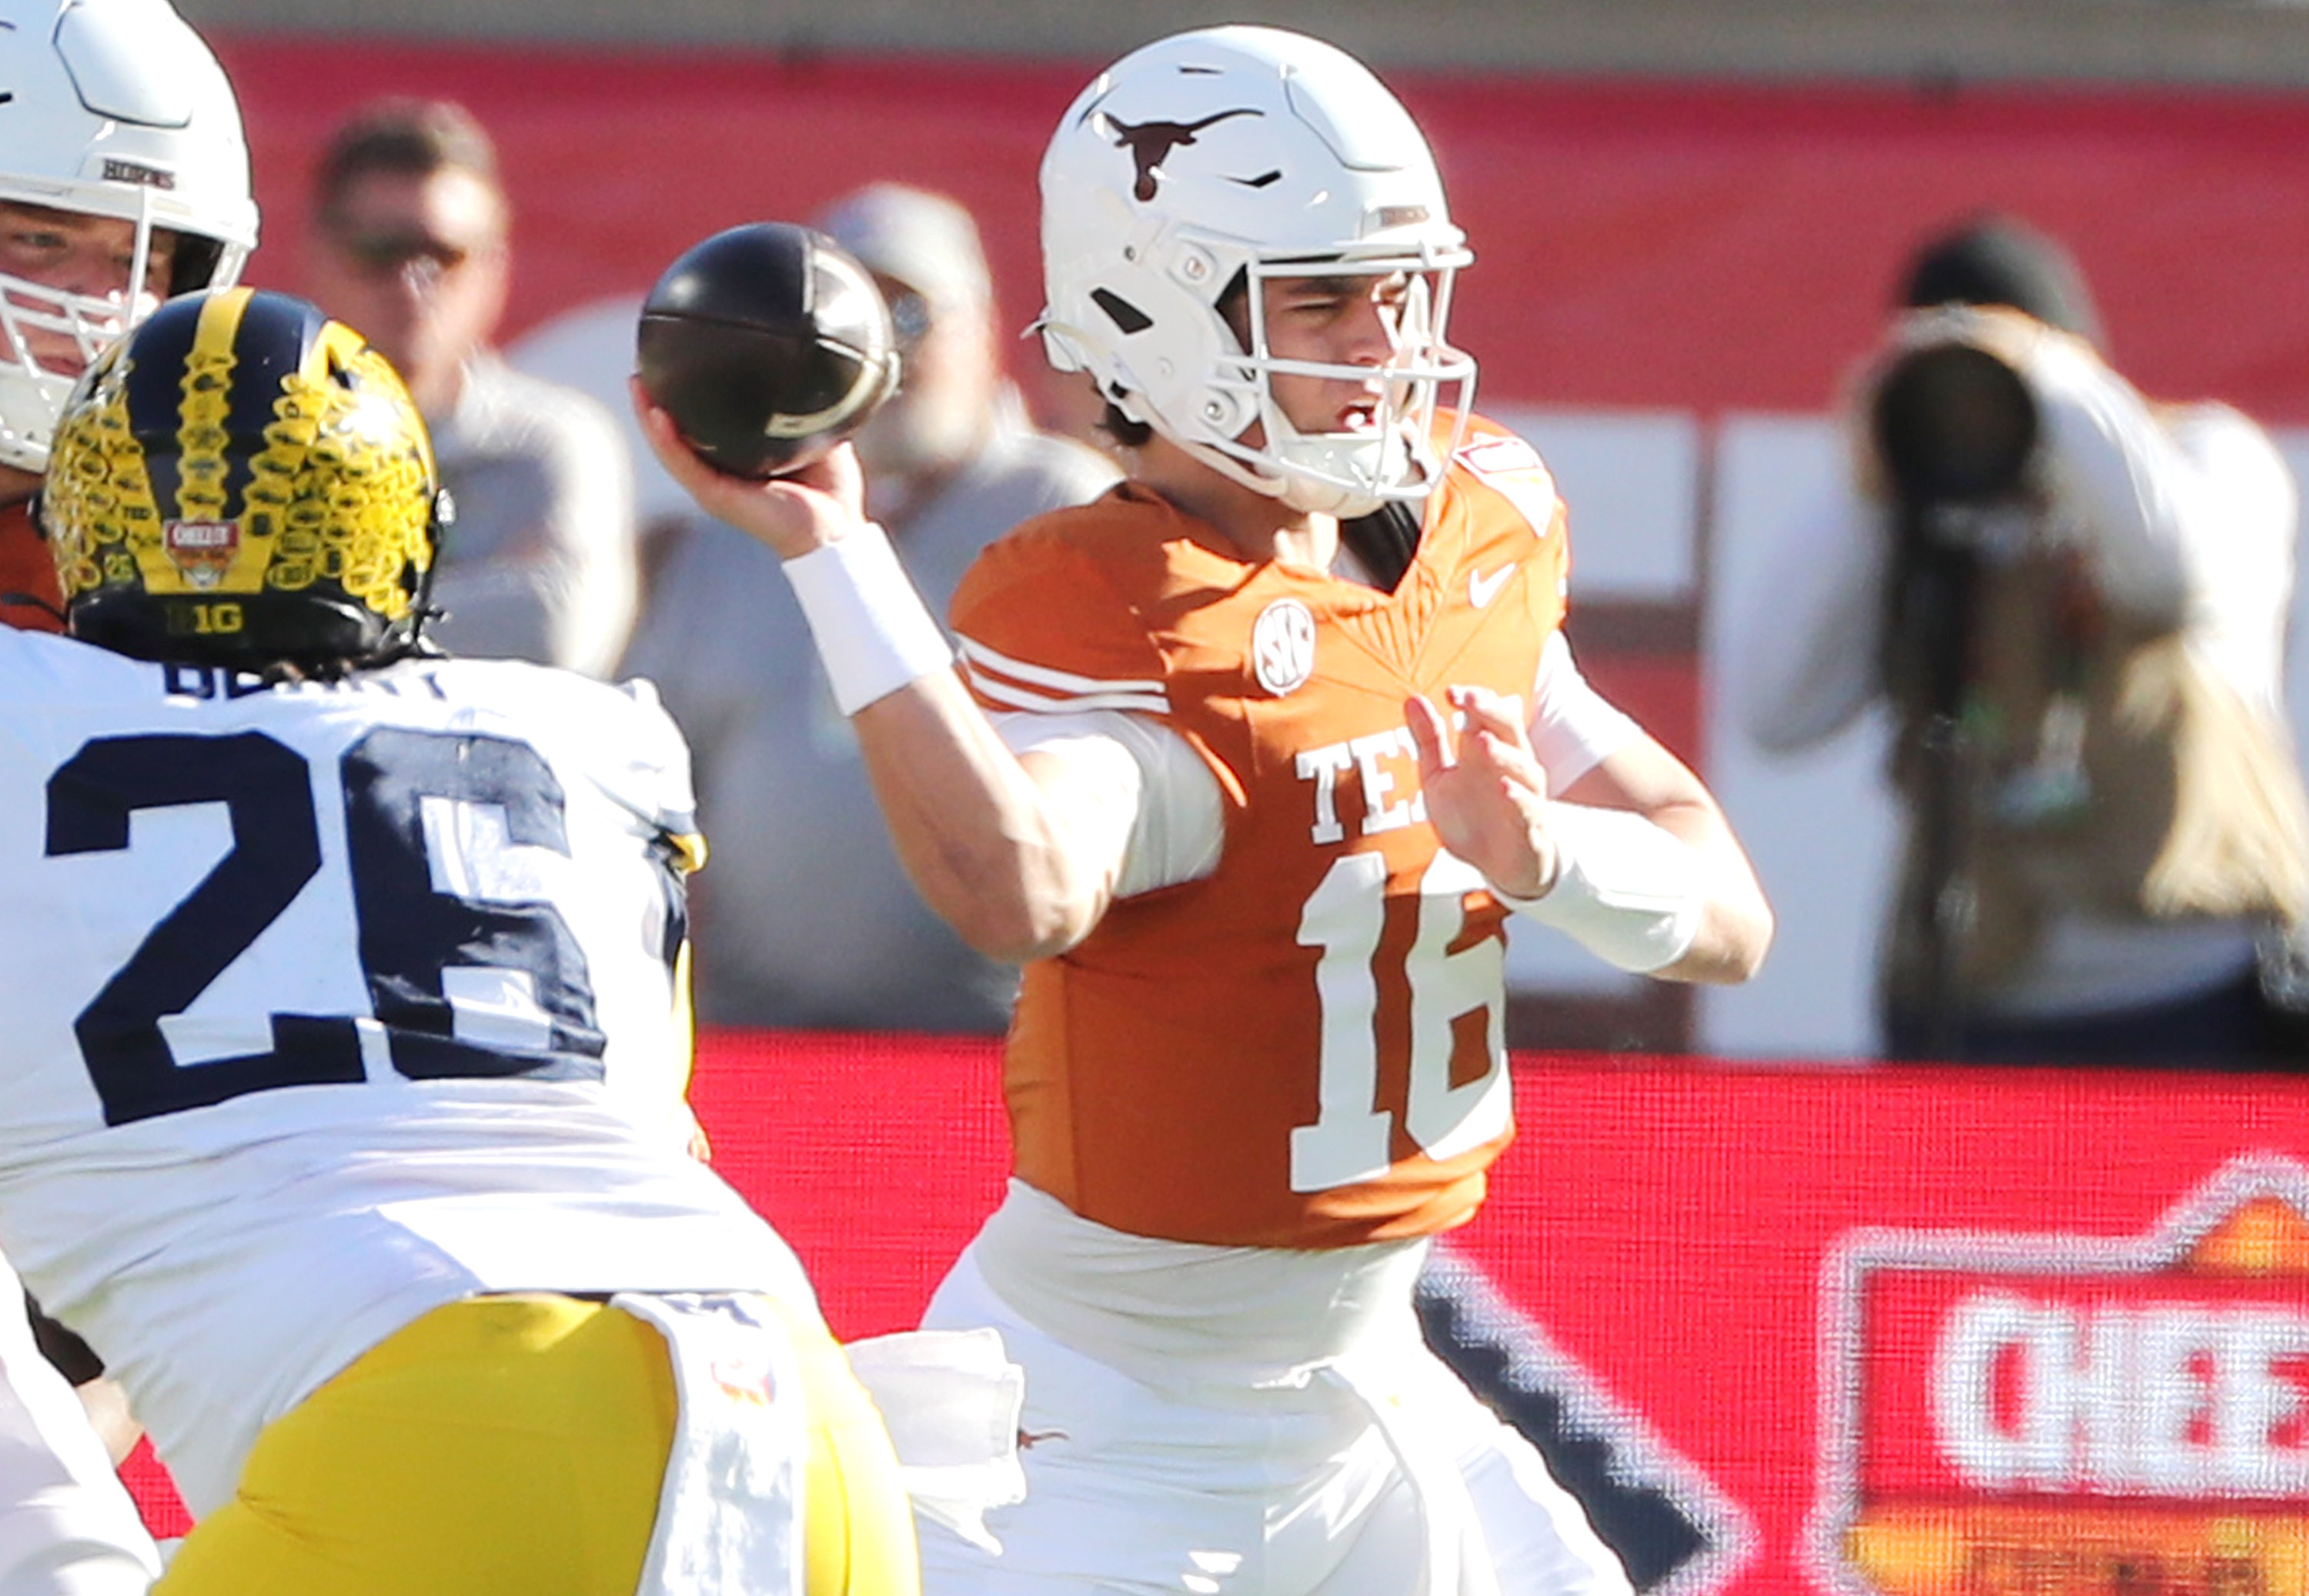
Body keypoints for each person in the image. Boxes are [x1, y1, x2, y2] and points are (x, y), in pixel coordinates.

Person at [639, 24, 1772, 1594]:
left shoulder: (1471, 529)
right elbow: (1017, 881)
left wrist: (1545, 852)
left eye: (1400, 287)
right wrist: (833, 554)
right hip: (1104, 1420)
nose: (1384, 340)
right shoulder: (1111, 597)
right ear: (1153, 312)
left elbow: (1729, 914)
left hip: (1376, 1384)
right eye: (1325, 293)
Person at [5, 284, 925, 1594]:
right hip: (802, 1422)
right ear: (401, 529)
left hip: (430, 1436)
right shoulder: (587, 737)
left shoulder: (25, 715)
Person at [1734, 214, 2309, 1067]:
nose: (1977, 404)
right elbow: (1777, 710)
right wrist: (1868, 483)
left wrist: (2041, 371)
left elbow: (2173, 577)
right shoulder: (1919, 513)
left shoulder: (2204, 454)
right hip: (1973, 1001)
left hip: (2197, 992)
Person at [621, 183, 1118, 1034]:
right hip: (752, 1047)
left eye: (914, 315)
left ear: (989, 327)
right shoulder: (732, 534)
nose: (886, 355)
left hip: (994, 1054)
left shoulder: (1066, 512)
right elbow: (647, 787)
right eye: (856, 324)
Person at [0, 2, 258, 1588]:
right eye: (43, 239)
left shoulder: (217, 556)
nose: (97, 309)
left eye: (142, 259)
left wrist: (66, 1419)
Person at [306, 96, 640, 678]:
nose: (414, 281)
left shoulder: (549, 444)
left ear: (494, 268)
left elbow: (554, 633)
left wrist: (306, 623)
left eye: (444, 253)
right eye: (381, 251)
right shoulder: (259, 439)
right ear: (321, 256)